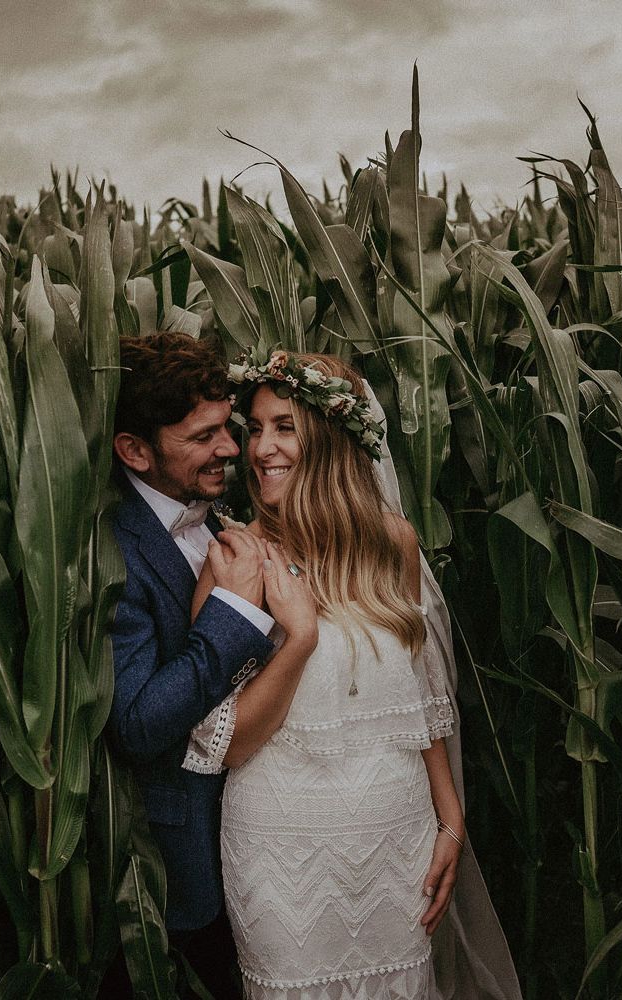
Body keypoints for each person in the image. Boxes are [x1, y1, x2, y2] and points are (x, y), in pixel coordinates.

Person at [183, 351, 465, 998]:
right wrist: (299, 638)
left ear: (332, 439)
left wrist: (450, 820)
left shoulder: (393, 543)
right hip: (284, 852)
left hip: (398, 836)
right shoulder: (236, 559)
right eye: (255, 428)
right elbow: (230, 743)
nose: (261, 448)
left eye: (284, 425)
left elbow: (422, 701)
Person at [106, 333, 318, 998]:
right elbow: (137, 724)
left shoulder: (224, 517)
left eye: (227, 427)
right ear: (135, 450)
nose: (232, 448)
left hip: (270, 844)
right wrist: (230, 617)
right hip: (183, 867)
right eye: (202, 436)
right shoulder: (111, 556)